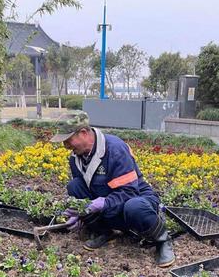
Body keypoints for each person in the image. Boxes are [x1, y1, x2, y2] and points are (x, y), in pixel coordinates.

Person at [50, 112, 175, 268]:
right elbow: (82, 191)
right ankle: (104, 231)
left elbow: (129, 191)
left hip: (135, 200)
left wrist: (104, 203)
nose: (66, 146)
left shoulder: (115, 149)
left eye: (68, 140)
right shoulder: (75, 159)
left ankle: (162, 240)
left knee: (134, 207)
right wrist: (80, 214)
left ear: (83, 133)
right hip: (109, 205)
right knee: (74, 186)